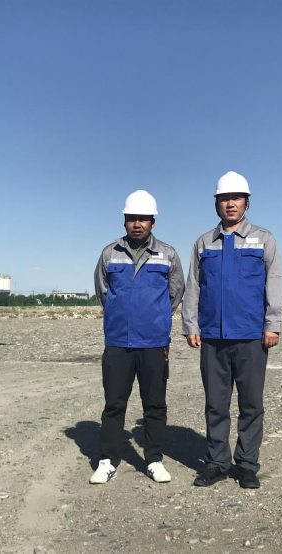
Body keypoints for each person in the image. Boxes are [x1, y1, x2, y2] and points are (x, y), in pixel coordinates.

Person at [182, 171, 282, 489]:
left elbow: (274, 282)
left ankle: (247, 465)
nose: (230, 203)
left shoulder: (264, 239)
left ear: (247, 203)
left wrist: (273, 324)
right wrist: (191, 324)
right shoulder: (203, 243)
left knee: (251, 405)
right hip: (213, 337)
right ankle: (217, 463)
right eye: (224, 199)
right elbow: (193, 286)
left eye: (236, 198)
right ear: (216, 203)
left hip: (252, 336)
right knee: (216, 404)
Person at [91, 190, 185, 485]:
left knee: (154, 405)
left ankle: (154, 460)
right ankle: (108, 461)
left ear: (153, 222)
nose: (137, 223)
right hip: (118, 343)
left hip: (154, 343)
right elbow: (104, 293)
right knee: (114, 404)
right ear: (124, 220)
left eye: (143, 218)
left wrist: (154, 318)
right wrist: (122, 316)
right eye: (132, 218)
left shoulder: (168, 254)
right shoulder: (109, 253)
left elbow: (175, 293)